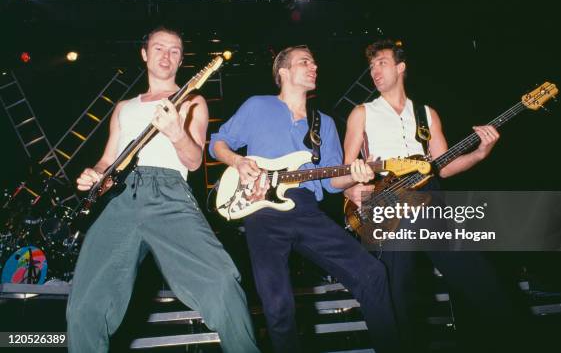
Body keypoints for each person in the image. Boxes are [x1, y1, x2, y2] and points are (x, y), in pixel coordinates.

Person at [66, 27, 259, 353]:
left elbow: (195, 160)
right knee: (84, 306)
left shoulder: (192, 100)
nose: (166, 55)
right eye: (159, 48)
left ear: (182, 59)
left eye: (174, 50)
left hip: (170, 194)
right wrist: (94, 175)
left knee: (222, 283)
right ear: (144, 54)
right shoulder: (123, 107)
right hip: (122, 199)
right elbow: (107, 162)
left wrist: (176, 133)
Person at [209, 45, 400, 353]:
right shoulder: (258, 106)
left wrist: (357, 173)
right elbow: (218, 141)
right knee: (277, 302)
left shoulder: (322, 122)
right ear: (283, 72)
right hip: (263, 212)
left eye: (314, 61)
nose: (314, 66)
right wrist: (237, 161)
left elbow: (332, 181)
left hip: (306, 209)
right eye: (304, 61)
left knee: (372, 273)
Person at [343, 39, 518, 350]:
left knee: (480, 277)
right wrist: (355, 187)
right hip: (387, 200)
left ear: (401, 67)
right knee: (398, 294)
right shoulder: (362, 113)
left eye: (381, 63)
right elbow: (346, 170)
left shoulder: (426, 114)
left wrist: (480, 153)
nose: (374, 71)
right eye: (370, 66)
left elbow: (444, 167)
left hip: (429, 198)